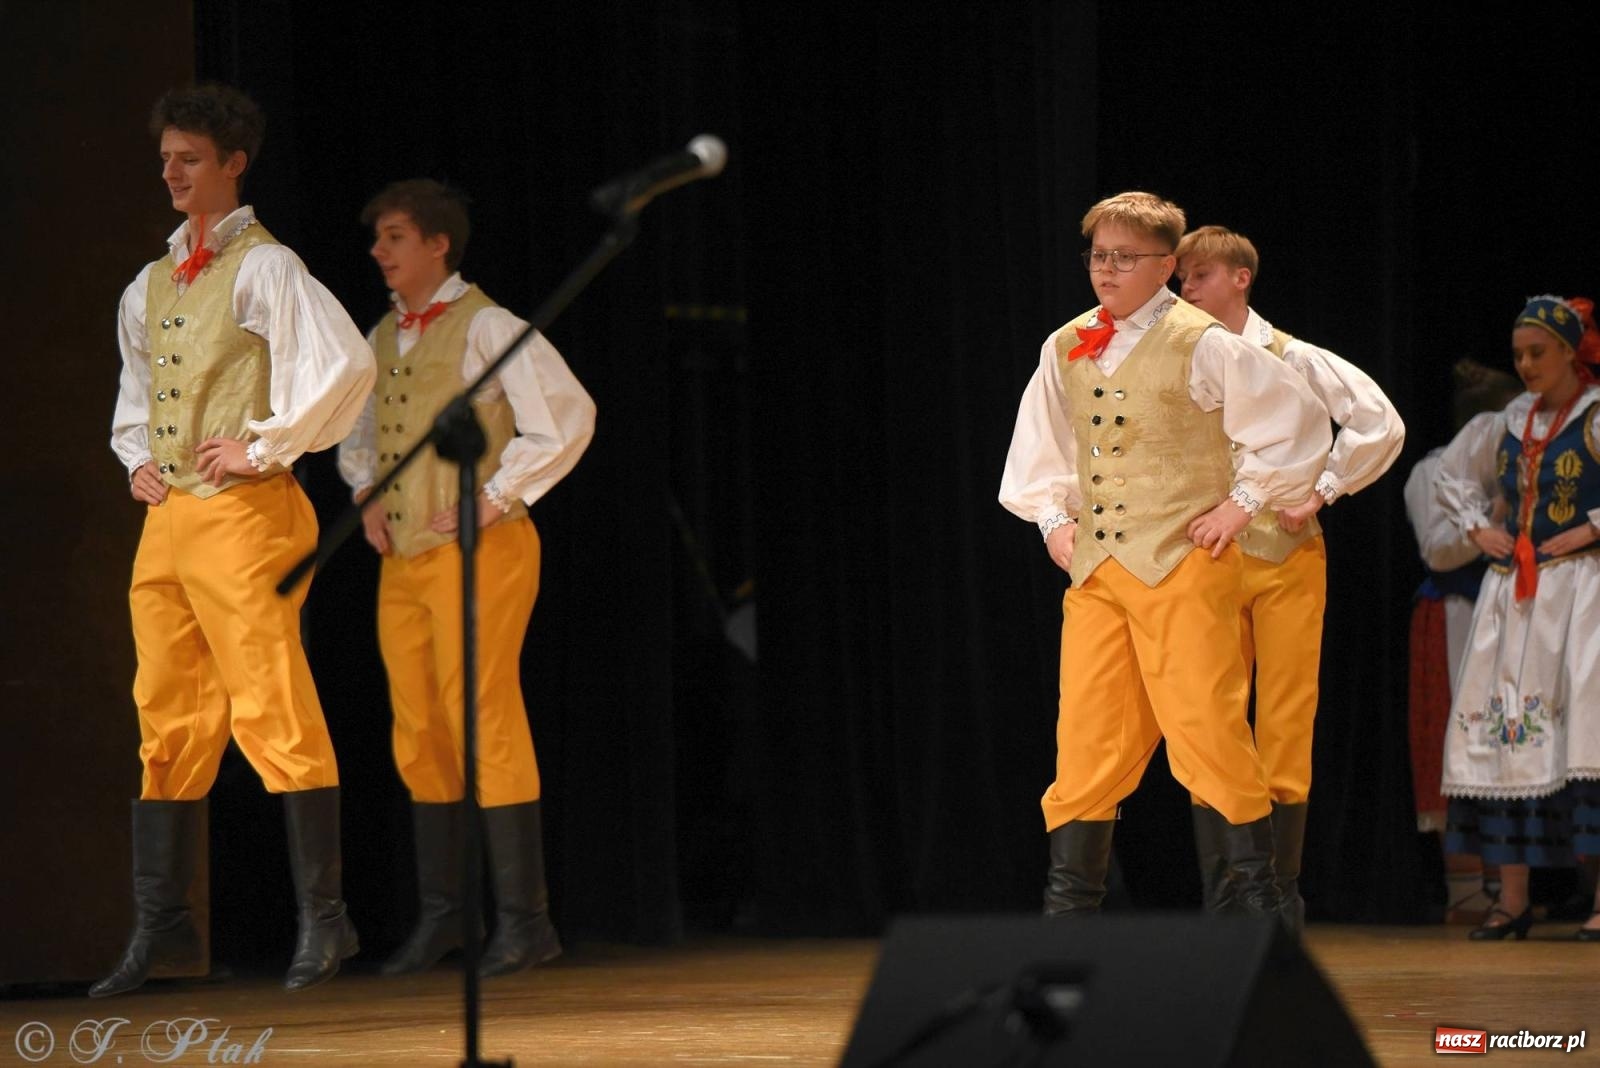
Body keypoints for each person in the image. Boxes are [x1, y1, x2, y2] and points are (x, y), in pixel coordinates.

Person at [98, 84, 375, 997]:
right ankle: (165, 930)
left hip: (244, 513)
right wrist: (138, 459)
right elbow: (138, 393)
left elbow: (346, 364)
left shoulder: (266, 267)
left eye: (190, 158)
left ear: (233, 164)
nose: (172, 173)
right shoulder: (148, 284)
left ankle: (325, 920)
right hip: (170, 518)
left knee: (268, 700)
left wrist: (265, 445)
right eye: (166, 158)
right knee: (166, 712)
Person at [999, 191, 1331, 921]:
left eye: (1125, 257)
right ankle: (1069, 920)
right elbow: (1042, 445)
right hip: (1098, 573)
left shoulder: (1202, 341)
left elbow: (1296, 422)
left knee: (1207, 732)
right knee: (1087, 741)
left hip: (1183, 566)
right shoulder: (1067, 343)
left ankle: (1256, 912)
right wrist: (1053, 522)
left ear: (1165, 265)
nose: (1106, 270)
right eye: (1098, 256)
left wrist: (1242, 503)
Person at [336, 179, 595, 977]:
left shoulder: (488, 326)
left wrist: (496, 495)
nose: (379, 251)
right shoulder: (383, 335)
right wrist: (366, 493)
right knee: (418, 726)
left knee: (481, 711)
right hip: (406, 558)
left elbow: (566, 417)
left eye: (395, 236)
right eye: (378, 238)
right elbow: (362, 430)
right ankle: (446, 918)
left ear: (438, 243)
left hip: (484, 553)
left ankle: (526, 923)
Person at [1174, 225, 1406, 930]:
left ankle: (1278, 897)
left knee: (1285, 718)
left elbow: (1379, 422)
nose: (1187, 288)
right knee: (1210, 720)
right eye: (1182, 278)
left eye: (1201, 275)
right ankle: (1226, 897)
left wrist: (1325, 489)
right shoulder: (1177, 359)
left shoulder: (1291, 356)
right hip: (1205, 560)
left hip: (1285, 557)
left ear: (1240, 277)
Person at [1437, 294, 1600, 940]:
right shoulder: (1507, 422)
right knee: (1507, 733)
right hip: (1515, 597)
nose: (1527, 365)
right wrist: (1479, 528)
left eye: (1538, 353)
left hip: (1582, 594)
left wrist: (1591, 528)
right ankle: (1512, 900)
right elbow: (1451, 476)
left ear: (1568, 352)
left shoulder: (1594, 417)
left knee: (1585, 736)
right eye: (1519, 355)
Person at [1403, 359, 1521, 922]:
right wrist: (1491, 518)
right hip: (1456, 612)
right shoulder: (1433, 472)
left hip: (1511, 614)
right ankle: (1468, 890)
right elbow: (1439, 551)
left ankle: (1508, 884)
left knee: (1508, 742)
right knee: (1459, 737)